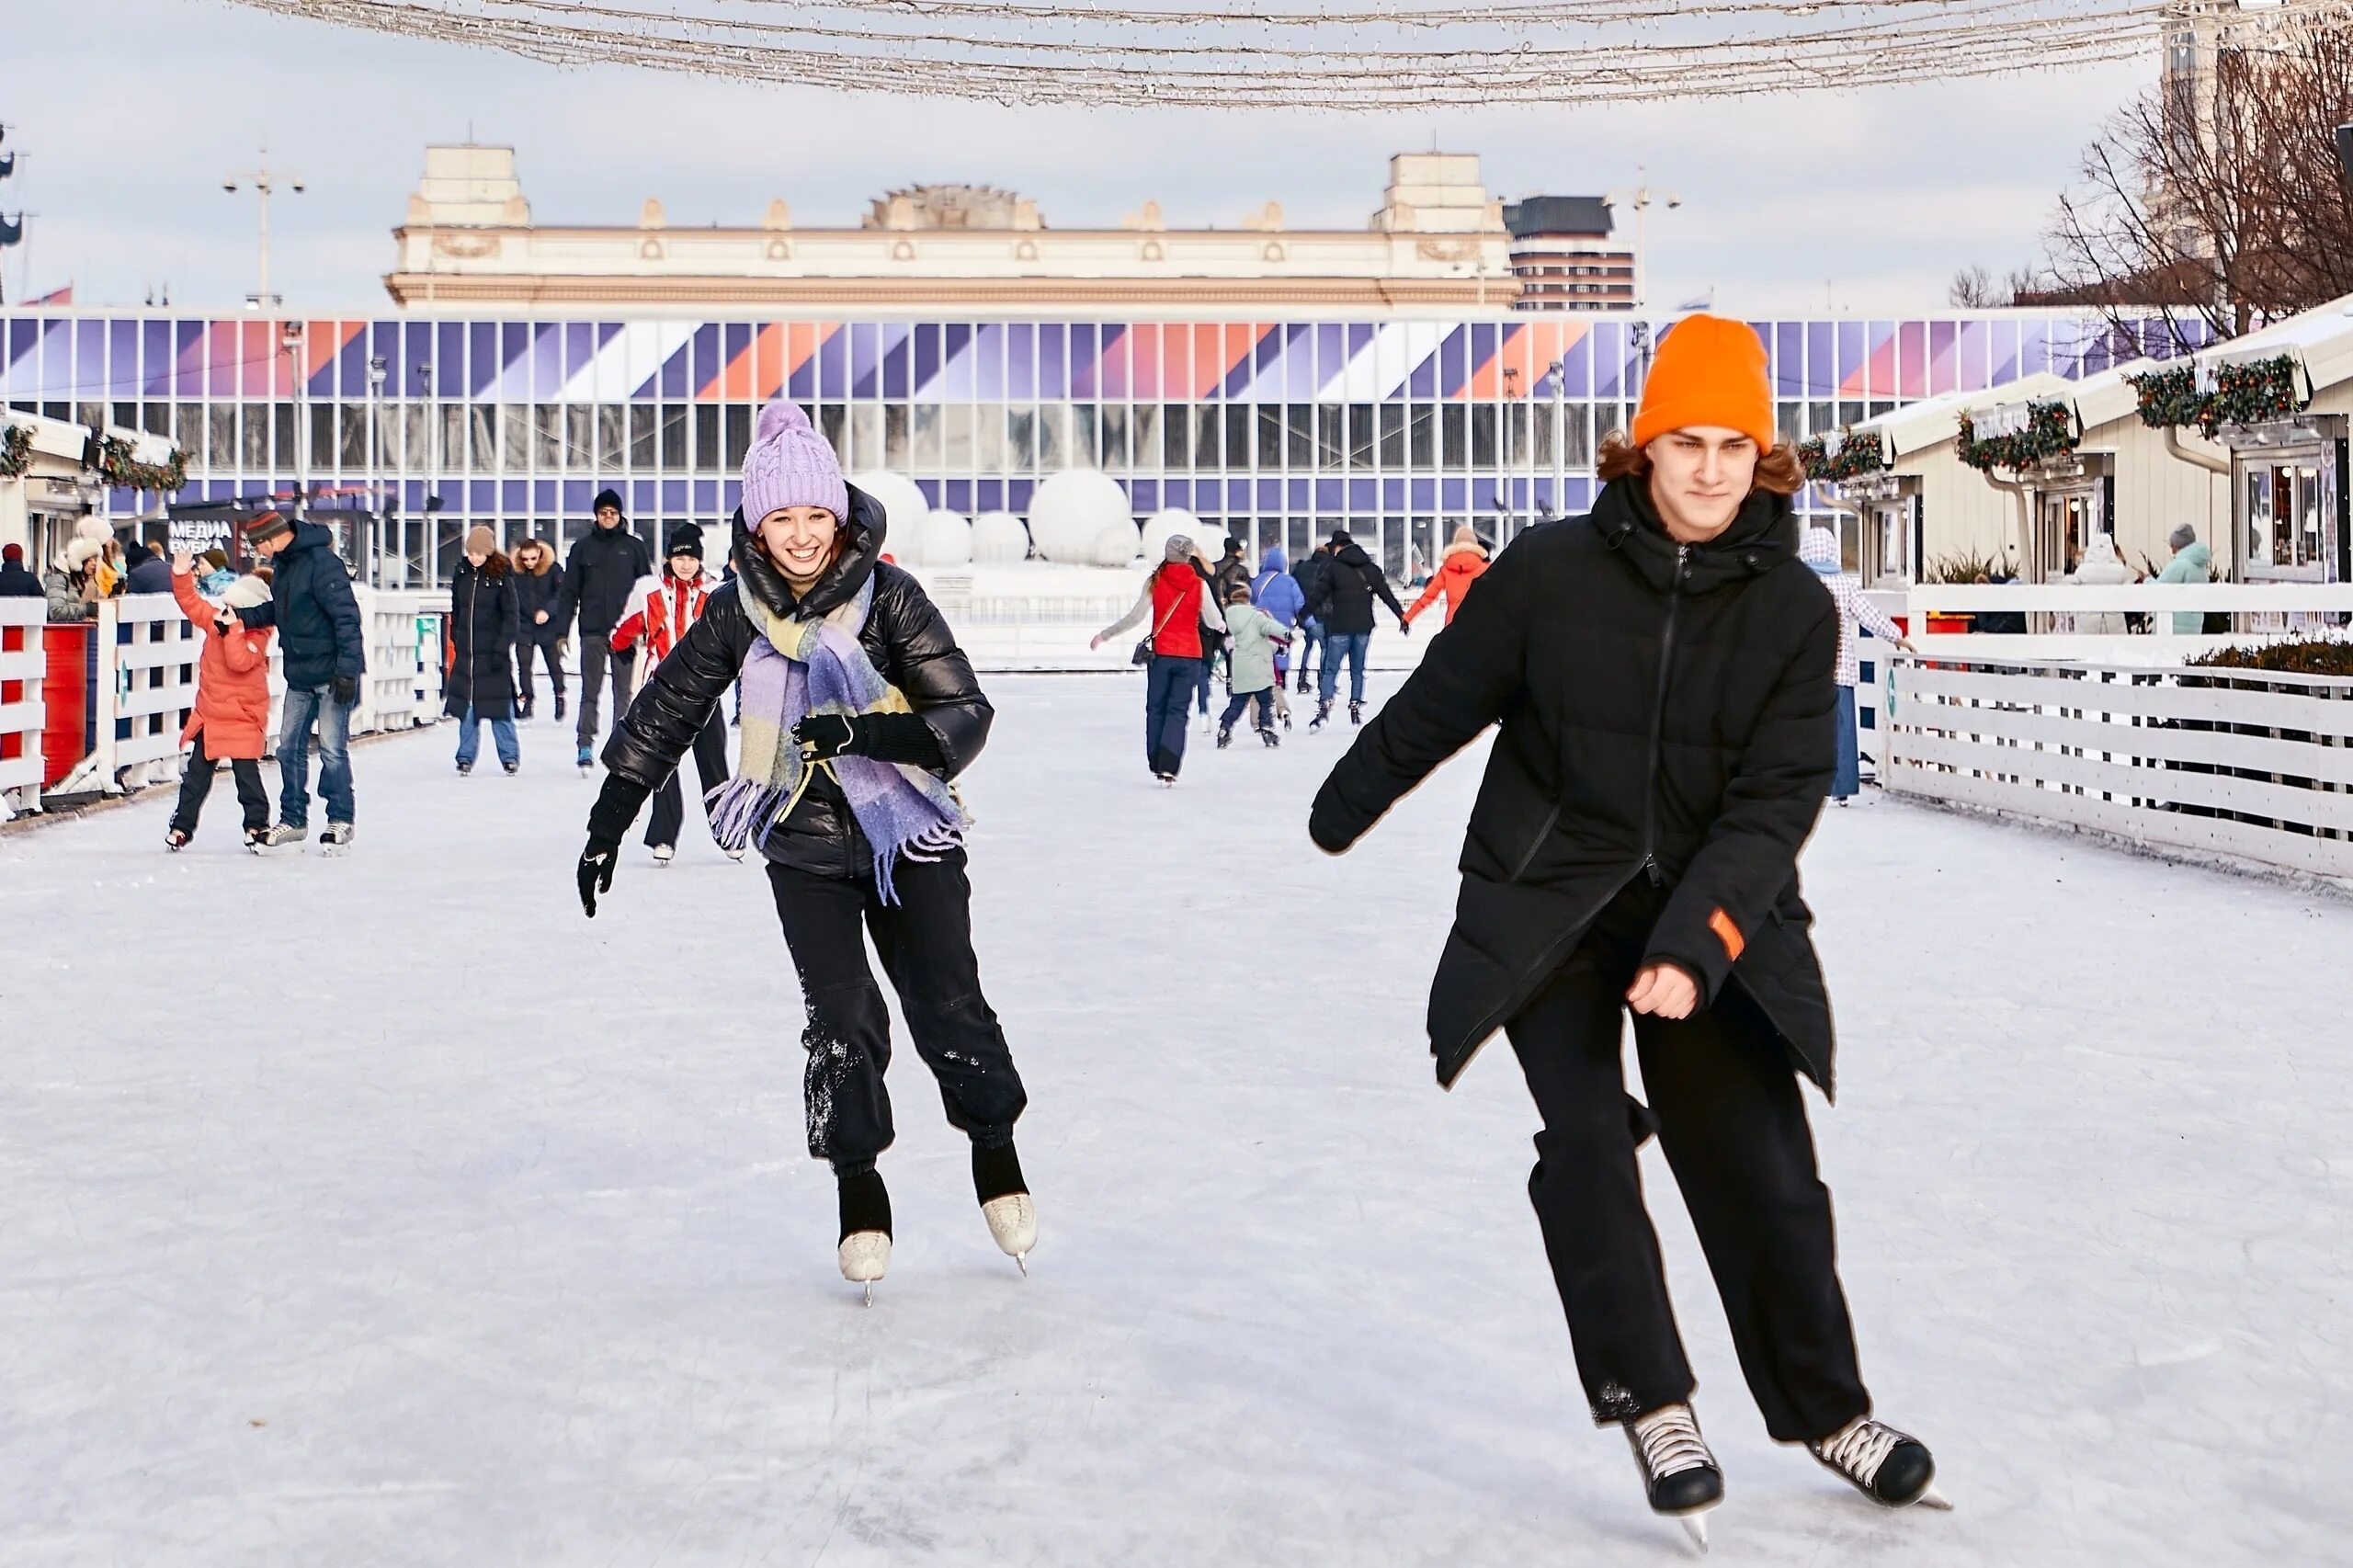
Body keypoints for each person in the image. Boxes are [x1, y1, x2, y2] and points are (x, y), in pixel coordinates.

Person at [1308, 314, 1944, 1546]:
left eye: (1733, 445)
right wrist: (1346, 804)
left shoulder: (1795, 612)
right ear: (1639, 448)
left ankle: (1825, 1409)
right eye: (1683, 441)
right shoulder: (1546, 573)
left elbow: (1776, 801)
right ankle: (1654, 1400)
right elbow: (1442, 702)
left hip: (1713, 907)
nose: (1707, 469)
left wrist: (1699, 943)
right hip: (1550, 897)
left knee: (1760, 1162)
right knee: (1589, 1143)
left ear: (1765, 458)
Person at [578, 399, 1033, 1300]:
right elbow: (665, 710)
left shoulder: (891, 596)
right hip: (805, 843)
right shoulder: (735, 613)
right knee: (841, 1024)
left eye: (813, 516)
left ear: (839, 515)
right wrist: (607, 822)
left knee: (948, 1004)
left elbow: (964, 711)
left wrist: (869, 733)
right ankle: (859, 1186)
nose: (798, 536)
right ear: (756, 523)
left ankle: (995, 1148)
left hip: (912, 836)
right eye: (780, 518)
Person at [232, 509, 365, 853]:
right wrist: (239, 618)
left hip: (334, 674)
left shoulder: (323, 563)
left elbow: (347, 618)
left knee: (333, 750)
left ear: (273, 538)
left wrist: (348, 671)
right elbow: (280, 611)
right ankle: (293, 819)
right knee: (288, 748)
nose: (258, 553)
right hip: (300, 674)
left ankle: (341, 818)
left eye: (258, 545)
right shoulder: (285, 566)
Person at [609, 524, 733, 865]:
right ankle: (664, 836)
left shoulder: (716, 592)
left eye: (692, 557)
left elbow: (734, 636)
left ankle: (727, 831)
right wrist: (620, 646)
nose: (686, 564)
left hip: (706, 691)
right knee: (662, 767)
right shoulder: (648, 590)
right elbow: (625, 629)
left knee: (714, 766)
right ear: (669, 558)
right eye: (680, 556)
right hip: (662, 694)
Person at [1090, 534, 1225, 785]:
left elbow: (1135, 616)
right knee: (1178, 710)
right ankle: (1169, 765)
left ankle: (1155, 759)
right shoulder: (1199, 584)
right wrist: (1224, 630)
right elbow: (1213, 619)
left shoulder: (1155, 580)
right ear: (1188, 556)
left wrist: (1105, 635)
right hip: (1190, 655)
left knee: (1156, 708)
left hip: (1161, 655)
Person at [164, 552, 275, 851]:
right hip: (211, 716)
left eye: (234, 607)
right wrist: (181, 572)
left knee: (247, 779)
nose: (226, 611)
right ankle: (181, 826)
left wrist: (233, 631)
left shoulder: (259, 636)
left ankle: (256, 823)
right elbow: (191, 603)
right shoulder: (216, 623)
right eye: (226, 605)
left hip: (243, 718)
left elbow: (239, 661)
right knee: (196, 778)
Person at [1797, 528, 1914, 804]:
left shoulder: (1798, 585)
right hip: (1841, 668)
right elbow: (1869, 615)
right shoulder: (1844, 585)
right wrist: (1897, 636)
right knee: (1843, 727)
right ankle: (1842, 786)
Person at [551, 488, 654, 771]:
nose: (608, 517)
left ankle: (619, 745)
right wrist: (562, 630)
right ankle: (585, 743)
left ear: (620, 515)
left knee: (623, 692)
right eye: (603, 513)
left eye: (613, 512)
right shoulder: (583, 548)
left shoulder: (633, 547)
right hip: (593, 630)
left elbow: (647, 591)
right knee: (590, 690)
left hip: (625, 631)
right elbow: (569, 592)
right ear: (596, 516)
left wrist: (648, 626)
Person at [1303, 528, 1408, 731]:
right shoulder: (1371, 569)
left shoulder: (1333, 569)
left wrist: (1302, 615)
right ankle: (1355, 704)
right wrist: (1401, 616)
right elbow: (1387, 595)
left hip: (1340, 626)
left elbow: (1318, 595)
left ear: (1338, 547)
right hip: (1363, 626)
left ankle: (1325, 704)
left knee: (1331, 669)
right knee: (1358, 669)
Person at [446, 526, 522, 777]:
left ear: (489, 553)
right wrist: (456, 636)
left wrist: (502, 647)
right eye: (471, 553)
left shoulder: (501, 576)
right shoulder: (462, 573)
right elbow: (457, 608)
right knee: (467, 709)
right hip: (468, 654)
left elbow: (511, 616)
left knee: (501, 708)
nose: (475, 558)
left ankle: (509, 756)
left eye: (480, 553)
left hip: (493, 654)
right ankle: (465, 756)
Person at [1216, 583, 1290, 749]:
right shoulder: (1256, 616)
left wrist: (1277, 649)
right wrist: (1287, 635)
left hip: (1240, 667)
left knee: (1237, 704)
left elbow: (1255, 642)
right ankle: (1267, 729)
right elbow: (1271, 628)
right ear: (1247, 598)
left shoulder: (1229, 616)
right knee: (1265, 701)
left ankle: (1224, 728)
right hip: (1258, 668)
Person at [510, 537, 566, 722]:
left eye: (533, 559)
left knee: (553, 664)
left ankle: (559, 695)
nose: (529, 563)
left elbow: (561, 594)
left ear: (539, 555)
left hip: (547, 625)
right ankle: (527, 699)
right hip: (524, 624)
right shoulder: (514, 572)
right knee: (524, 665)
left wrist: (548, 611)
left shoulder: (553, 569)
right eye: (525, 559)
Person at [1251, 544, 1305, 730]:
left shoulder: (1257, 581)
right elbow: (1300, 604)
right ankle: (1280, 686)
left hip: (1262, 626)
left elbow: (1251, 603)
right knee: (1281, 656)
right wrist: (1309, 623)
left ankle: (1265, 707)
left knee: (1264, 660)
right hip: (1283, 628)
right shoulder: (1290, 582)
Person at [1404, 525, 1491, 630]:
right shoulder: (1486, 569)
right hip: (1480, 623)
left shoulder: (1446, 570)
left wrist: (1407, 618)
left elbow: (1428, 597)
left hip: (1453, 624)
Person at [2065, 531, 2132, 636]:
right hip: (2114, 620)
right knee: (2115, 650)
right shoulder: (2120, 571)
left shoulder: (2083, 570)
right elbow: (2129, 594)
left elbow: (2071, 589)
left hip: (2087, 620)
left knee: (2088, 650)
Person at [2155, 523, 2216, 636]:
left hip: (2174, 627)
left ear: (2178, 545)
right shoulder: (2200, 567)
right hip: (2194, 627)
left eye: (2172, 545)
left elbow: (2159, 590)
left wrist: (2147, 580)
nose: (2172, 550)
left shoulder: (2180, 565)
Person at [1290, 540, 1333, 694]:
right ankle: (1323, 680)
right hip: (1321, 613)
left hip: (1304, 614)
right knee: (1325, 648)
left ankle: (1302, 678)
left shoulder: (1301, 568)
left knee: (1308, 646)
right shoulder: (1328, 568)